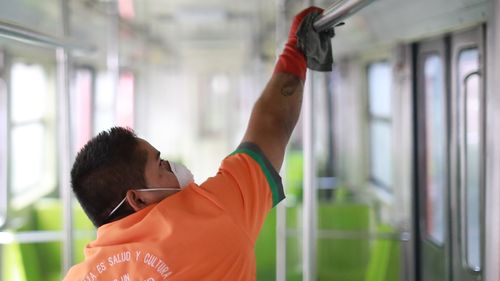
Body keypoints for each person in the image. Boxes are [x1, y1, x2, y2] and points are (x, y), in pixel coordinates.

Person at [64, 6, 330, 281]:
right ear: (137, 198)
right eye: (161, 165)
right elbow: (271, 124)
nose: (173, 167)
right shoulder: (214, 213)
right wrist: (296, 51)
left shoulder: (77, 277)